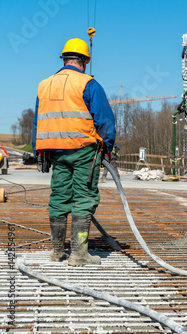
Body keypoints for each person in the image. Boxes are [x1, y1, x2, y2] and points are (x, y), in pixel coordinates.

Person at [32, 38, 116, 266]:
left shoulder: (45, 84)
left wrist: (37, 150)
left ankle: (57, 252)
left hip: (56, 153)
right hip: (84, 151)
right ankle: (79, 255)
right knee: (84, 197)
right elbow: (104, 121)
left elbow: (37, 122)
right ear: (84, 61)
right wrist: (108, 147)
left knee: (59, 198)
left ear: (64, 59)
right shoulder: (88, 84)